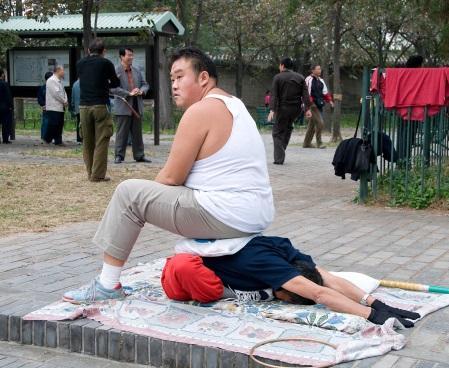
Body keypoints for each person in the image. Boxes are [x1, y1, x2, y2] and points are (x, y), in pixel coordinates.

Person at [62, 46, 275, 304]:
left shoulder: (200, 111)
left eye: (180, 77)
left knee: (129, 195)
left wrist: (143, 204)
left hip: (226, 214)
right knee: (143, 196)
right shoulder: (235, 105)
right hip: (255, 214)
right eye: (171, 79)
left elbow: (171, 177)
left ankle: (107, 285)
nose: (173, 85)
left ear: (203, 78)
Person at [162, 236, 421, 327]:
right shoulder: (270, 267)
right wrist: (370, 316)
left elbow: (326, 279)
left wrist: (376, 302)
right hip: (183, 275)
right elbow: (319, 293)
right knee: (189, 270)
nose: (286, 301)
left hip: (227, 254)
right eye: (290, 297)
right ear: (286, 285)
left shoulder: (287, 251)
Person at [77, 38, 120, 182]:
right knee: (102, 140)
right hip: (100, 105)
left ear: (89, 50)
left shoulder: (80, 63)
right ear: (104, 51)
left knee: (87, 141)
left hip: (83, 106)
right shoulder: (106, 63)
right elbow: (115, 82)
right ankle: (98, 175)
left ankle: (90, 172)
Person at [110, 47, 151, 164]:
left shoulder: (137, 70)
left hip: (137, 105)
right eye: (129, 55)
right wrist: (128, 93)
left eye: (132, 55)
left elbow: (145, 84)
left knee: (137, 133)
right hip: (123, 107)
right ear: (122, 57)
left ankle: (139, 155)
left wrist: (141, 91)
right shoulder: (115, 71)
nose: (131, 57)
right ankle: (119, 156)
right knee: (121, 133)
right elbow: (112, 88)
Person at [268, 57, 311, 165]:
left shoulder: (278, 77)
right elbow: (305, 95)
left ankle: (279, 158)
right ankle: (281, 150)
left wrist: (272, 110)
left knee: (277, 133)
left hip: (282, 108)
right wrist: (307, 109)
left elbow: (274, 95)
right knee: (288, 128)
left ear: (282, 65)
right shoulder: (300, 77)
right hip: (296, 109)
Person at [303, 65, 334, 149]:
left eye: (320, 69)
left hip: (319, 104)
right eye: (318, 69)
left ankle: (306, 143)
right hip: (311, 105)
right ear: (312, 70)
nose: (320, 70)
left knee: (312, 125)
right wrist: (308, 105)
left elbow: (325, 93)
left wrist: (330, 101)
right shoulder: (308, 79)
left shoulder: (321, 81)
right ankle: (319, 143)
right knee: (320, 123)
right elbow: (306, 93)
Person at [44, 65, 68, 146]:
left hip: (59, 107)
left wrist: (65, 100)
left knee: (59, 125)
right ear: (58, 71)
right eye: (62, 70)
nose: (64, 72)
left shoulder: (58, 80)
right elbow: (56, 93)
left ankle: (58, 141)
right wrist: (64, 101)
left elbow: (63, 92)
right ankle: (47, 138)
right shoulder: (52, 80)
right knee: (54, 124)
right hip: (54, 107)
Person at [37, 71, 53, 144]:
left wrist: (43, 105)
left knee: (45, 122)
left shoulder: (42, 87)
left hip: (45, 107)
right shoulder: (53, 87)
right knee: (51, 122)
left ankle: (43, 138)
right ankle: (49, 138)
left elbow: (39, 98)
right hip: (52, 107)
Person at [0, 69, 13, 144]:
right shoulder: (4, 84)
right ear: (2, 74)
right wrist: (10, 105)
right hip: (4, 107)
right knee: (5, 124)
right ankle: (5, 139)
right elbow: (8, 96)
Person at [70, 78, 82, 143]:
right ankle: (84, 138)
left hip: (77, 108)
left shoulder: (74, 84)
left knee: (79, 123)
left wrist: (73, 106)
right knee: (86, 124)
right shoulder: (85, 83)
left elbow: (72, 97)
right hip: (84, 106)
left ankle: (79, 139)